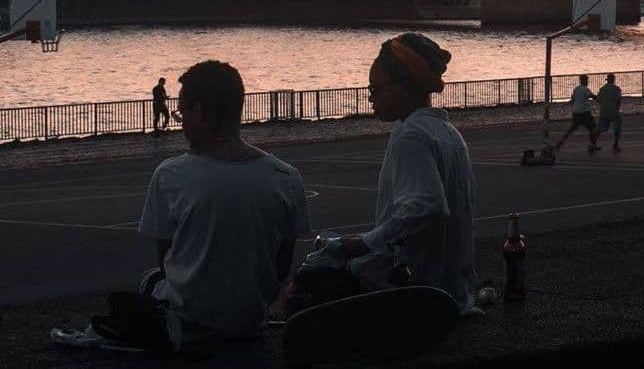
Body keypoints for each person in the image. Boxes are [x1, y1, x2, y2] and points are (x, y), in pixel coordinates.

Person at [117, 61, 311, 351]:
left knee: (150, 279)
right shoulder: (286, 178)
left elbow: (167, 261)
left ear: (199, 111)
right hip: (249, 320)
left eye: (182, 112)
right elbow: (281, 265)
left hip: (189, 321)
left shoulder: (171, 175)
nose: (181, 122)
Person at [335, 33, 478, 313]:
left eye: (375, 89)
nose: (370, 98)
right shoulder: (450, 133)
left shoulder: (410, 135)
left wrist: (366, 243)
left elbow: (428, 207)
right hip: (454, 293)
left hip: (421, 296)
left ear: (402, 88)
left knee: (319, 270)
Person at [556, 74, 600, 153]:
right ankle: (592, 145)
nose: (587, 82)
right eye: (586, 80)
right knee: (592, 128)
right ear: (584, 81)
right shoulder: (585, 89)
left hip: (576, 111)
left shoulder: (576, 89)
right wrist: (601, 97)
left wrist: (565, 105)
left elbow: (573, 99)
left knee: (572, 129)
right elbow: (592, 96)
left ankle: (560, 143)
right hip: (584, 111)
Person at [595, 73, 624, 152]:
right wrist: (617, 108)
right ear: (613, 80)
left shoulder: (602, 89)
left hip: (604, 111)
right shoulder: (617, 89)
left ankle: (592, 143)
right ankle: (615, 145)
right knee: (617, 128)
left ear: (607, 80)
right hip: (614, 111)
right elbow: (618, 100)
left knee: (599, 129)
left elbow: (598, 100)